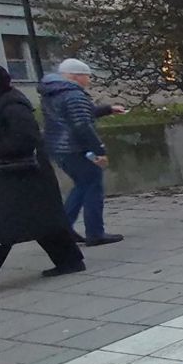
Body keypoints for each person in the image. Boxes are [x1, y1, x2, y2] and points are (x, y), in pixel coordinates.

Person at [0, 66, 86, 276]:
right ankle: (71, 261)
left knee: (6, 226)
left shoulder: (12, 105)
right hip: (21, 175)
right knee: (43, 222)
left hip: (24, 175)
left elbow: (25, 139)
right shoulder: (6, 101)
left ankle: (71, 261)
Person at [39, 58, 125, 245]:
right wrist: (99, 150)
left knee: (82, 186)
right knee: (93, 186)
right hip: (76, 148)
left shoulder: (53, 92)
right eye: (87, 76)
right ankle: (94, 233)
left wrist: (108, 109)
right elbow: (82, 125)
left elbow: (80, 114)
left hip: (59, 148)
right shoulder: (73, 95)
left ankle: (64, 230)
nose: (89, 80)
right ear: (76, 76)